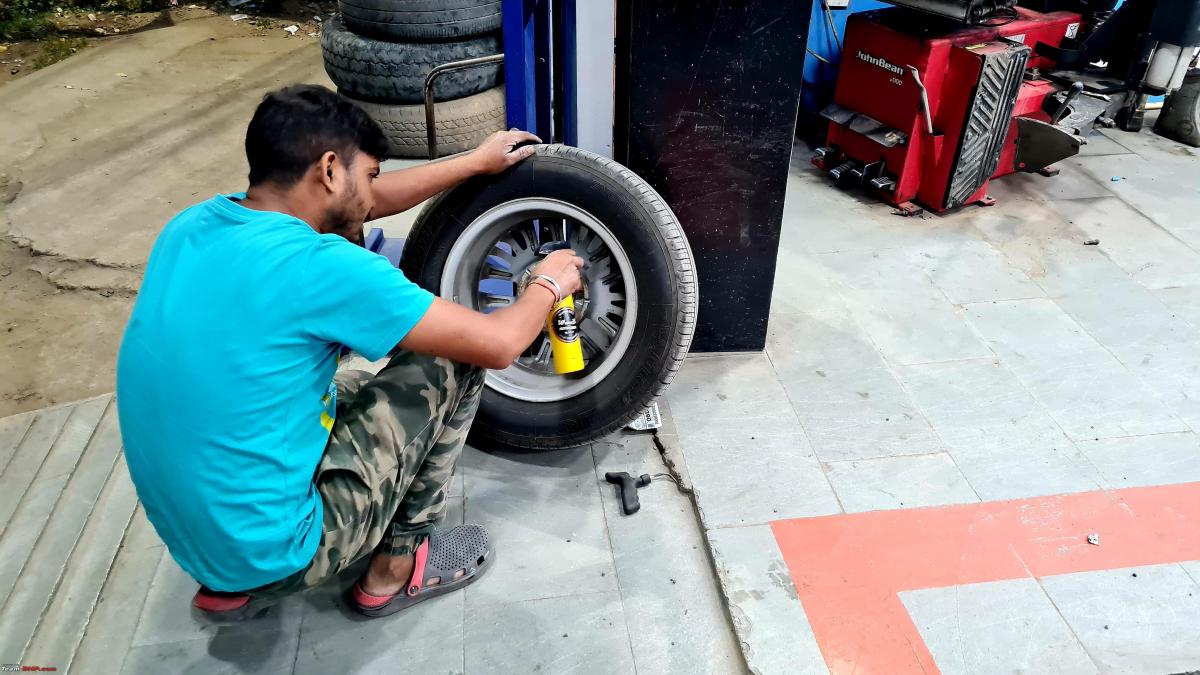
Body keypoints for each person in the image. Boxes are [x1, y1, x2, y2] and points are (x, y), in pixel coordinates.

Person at [115, 84, 584, 620]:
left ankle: (235, 575)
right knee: (454, 360)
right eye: (370, 174)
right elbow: (498, 344)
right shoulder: (321, 267)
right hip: (279, 554)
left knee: (338, 383)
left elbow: (360, 205)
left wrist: (473, 162)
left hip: (198, 542)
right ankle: (395, 570)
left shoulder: (194, 226)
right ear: (331, 169)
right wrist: (546, 284)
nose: (372, 194)